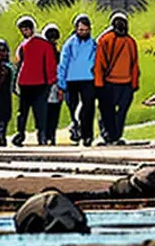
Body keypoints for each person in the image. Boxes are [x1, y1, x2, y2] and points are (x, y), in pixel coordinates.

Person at [94, 11, 139, 145]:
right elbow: (134, 65)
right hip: (124, 83)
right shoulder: (130, 41)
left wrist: (98, 83)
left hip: (111, 83)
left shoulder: (105, 40)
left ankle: (109, 135)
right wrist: (134, 84)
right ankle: (115, 136)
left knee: (107, 111)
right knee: (119, 113)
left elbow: (99, 64)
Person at [12, 15, 57, 147]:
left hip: (38, 83)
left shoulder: (38, 44)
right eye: (23, 30)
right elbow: (19, 64)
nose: (25, 32)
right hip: (28, 82)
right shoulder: (37, 44)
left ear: (32, 29)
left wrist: (50, 81)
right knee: (27, 111)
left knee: (36, 111)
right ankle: (22, 133)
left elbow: (50, 64)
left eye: (26, 29)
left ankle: (38, 134)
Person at [57, 13, 97, 146]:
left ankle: (88, 135)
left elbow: (97, 61)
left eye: (86, 30)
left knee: (88, 108)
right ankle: (76, 128)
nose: (83, 32)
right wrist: (61, 84)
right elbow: (63, 63)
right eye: (81, 30)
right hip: (71, 80)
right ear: (76, 29)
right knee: (73, 107)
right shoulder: (69, 44)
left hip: (88, 79)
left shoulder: (93, 44)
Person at [0, 38, 16, 147]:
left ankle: (3, 133)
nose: (2, 53)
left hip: (7, 95)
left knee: (6, 115)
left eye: (4, 50)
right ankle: (0, 135)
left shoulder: (9, 67)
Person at [42, 23, 64, 145]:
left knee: (53, 111)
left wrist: (61, 87)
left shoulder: (58, 53)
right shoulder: (42, 52)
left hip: (54, 85)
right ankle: (46, 135)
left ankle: (51, 135)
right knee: (46, 112)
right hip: (45, 85)